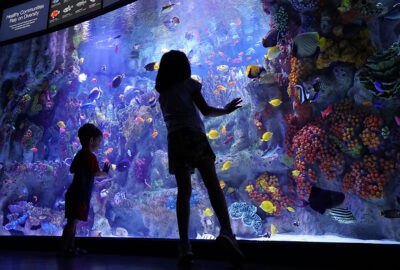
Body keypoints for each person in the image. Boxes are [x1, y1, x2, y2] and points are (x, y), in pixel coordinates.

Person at [156, 50, 244, 266]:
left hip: (175, 141)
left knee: (184, 192)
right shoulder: (190, 84)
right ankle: (226, 232)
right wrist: (225, 110)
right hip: (195, 137)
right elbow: (205, 111)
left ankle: (185, 245)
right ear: (184, 67)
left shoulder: (163, 94)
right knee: (213, 185)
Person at [59, 123, 110, 256]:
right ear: (91, 140)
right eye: (99, 141)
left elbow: (72, 169)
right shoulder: (90, 156)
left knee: (72, 223)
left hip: (73, 192)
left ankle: (70, 248)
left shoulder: (80, 154)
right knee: (72, 224)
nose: (99, 145)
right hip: (80, 194)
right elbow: (96, 173)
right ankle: (64, 250)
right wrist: (105, 172)